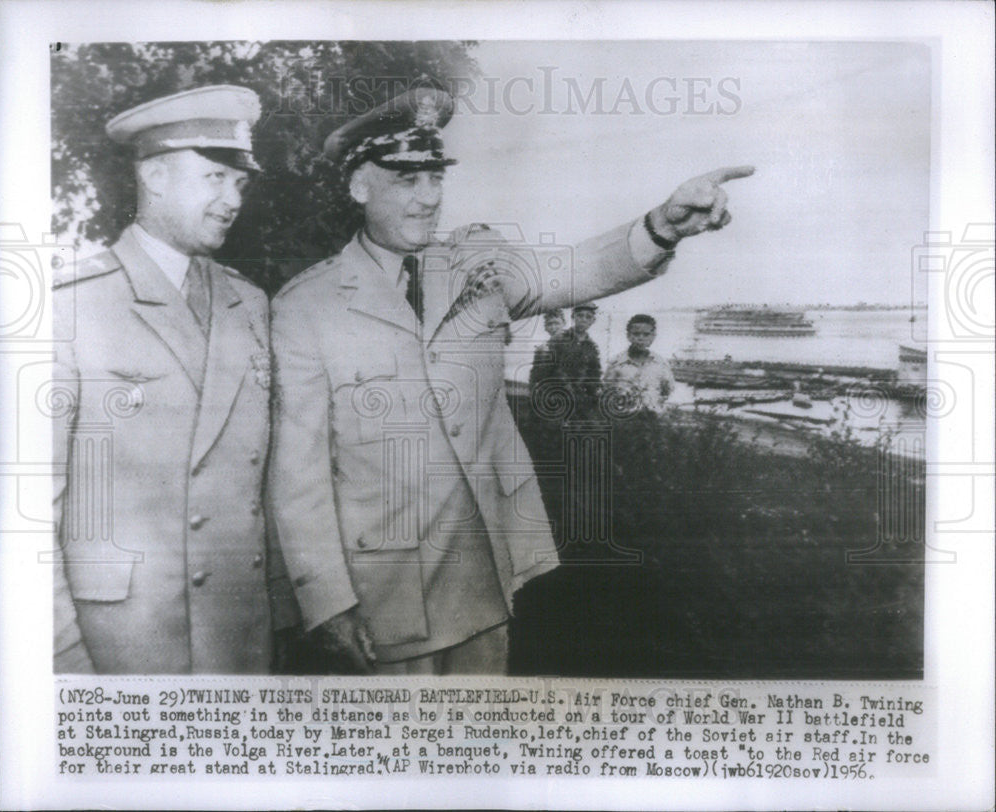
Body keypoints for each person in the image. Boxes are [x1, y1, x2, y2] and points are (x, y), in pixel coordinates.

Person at [268, 86, 753, 675]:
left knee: (476, 751)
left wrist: (663, 225)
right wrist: (326, 603)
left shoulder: (479, 265)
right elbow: (298, 475)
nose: (428, 200)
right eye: (405, 180)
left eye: (436, 178)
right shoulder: (305, 307)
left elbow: (574, 270)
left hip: (484, 580)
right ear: (359, 186)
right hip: (381, 599)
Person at [52, 86, 297, 673]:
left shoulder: (249, 303)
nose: (231, 199)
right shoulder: (70, 305)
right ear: (156, 176)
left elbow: (264, 488)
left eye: (239, 183)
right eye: (214, 177)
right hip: (126, 649)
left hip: (242, 643)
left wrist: (284, 623)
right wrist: (62, 665)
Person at [603, 314, 676, 416]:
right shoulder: (616, 363)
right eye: (636, 334)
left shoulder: (660, 364)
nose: (640, 338)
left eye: (646, 334)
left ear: (653, 337)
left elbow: (667, 390)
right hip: (624, 418)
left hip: (653, 419)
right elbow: (607, 390)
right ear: (628, 336)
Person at [545, 303, 603, 421]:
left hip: (580, 399)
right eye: (580, 315)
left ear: (593, 320)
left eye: (588, 317)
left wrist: (596, 391)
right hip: (557, 394)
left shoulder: (591, 347)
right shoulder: (559, 339)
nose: (583, 320)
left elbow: (594, 374)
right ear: (573, 317)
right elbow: (548, 367)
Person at [527, 308, 566, 396]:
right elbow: (535, 375)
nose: (553, 327)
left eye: (556, 323)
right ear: (545, 327)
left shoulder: (572, 344)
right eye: (549, 324)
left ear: (564, 323)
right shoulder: (542, 348)